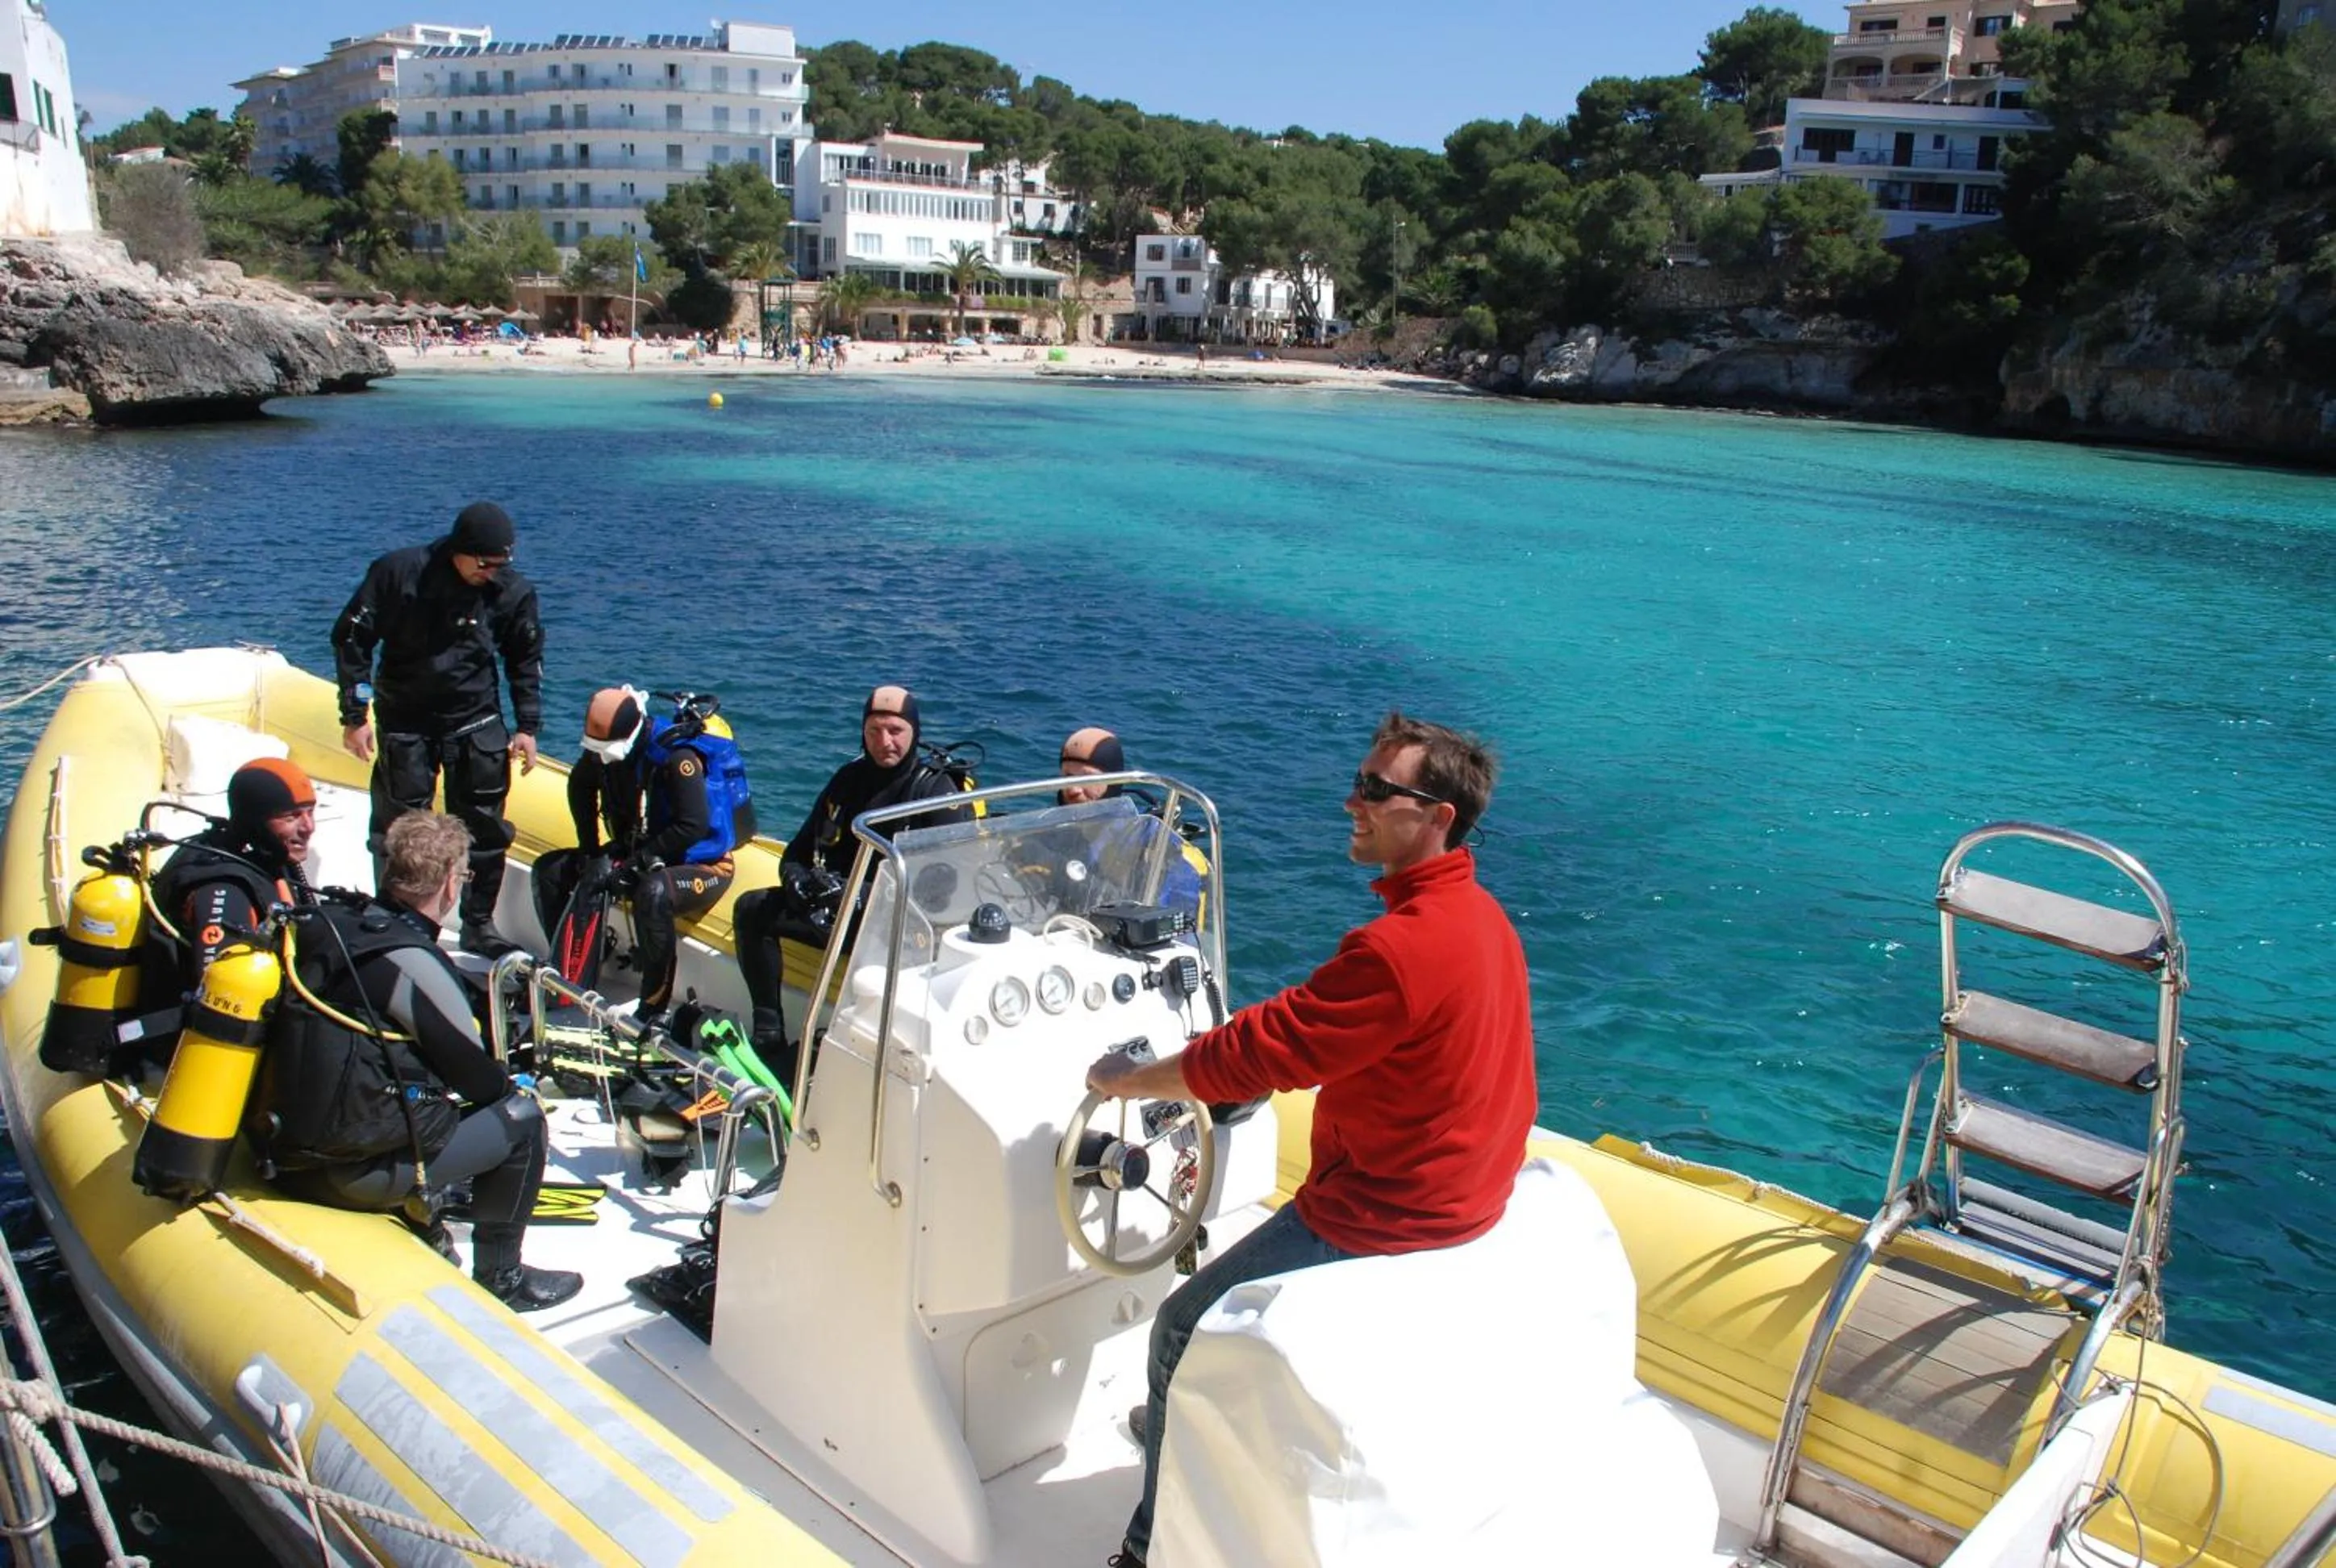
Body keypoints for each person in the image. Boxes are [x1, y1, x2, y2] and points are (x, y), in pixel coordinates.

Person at [1082, 712, 1537, 1568]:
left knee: (1179, 1325)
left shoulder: (1399, 947)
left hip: (1389, 1211)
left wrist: (1126, 1081)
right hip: (1466, 1197)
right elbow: (1311, 1025)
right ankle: (1183, 1418)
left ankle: (1147, 1549)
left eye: (1375, 790)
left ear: (1438, 815)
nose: (1350, 802)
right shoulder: (1476, 919)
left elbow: (1260, 1053)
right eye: (1359, 783)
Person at [248, 811, 582, 1313]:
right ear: (450, 883)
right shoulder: (411, 962)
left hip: (277, 1140)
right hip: (345, 1173)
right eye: (464, 876)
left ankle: (424, 1219)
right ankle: (502, 1278)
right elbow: (480, 1084)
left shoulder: (328, 920)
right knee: (522, 1117)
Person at [332, 501, 544, 959]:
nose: (490, 572)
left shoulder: (511, 592)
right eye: (483, 563)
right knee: (401, 827)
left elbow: (524, 660)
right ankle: (394, 916)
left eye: (500, 564)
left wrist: (528, 725)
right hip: (406, 718)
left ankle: (478, 924)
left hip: (477, 717)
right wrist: (354, 715)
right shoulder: (397, 573)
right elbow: (352, 640)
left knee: (485, 827)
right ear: (458, 550)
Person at [732, 686, 967, 1077]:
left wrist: (863, 899)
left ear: (914, 733)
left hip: (892, 932)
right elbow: (798, 851)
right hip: (835, 916)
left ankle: (837, 1055)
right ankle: (768, 1033)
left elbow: (942, 886)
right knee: (752, 909)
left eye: (895, 731)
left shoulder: (935, 792)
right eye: (874, 731)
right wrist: (798, 883)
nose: (884, 742)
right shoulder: (848, 779)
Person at [534, 687, 753, 1028]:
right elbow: (580, 785)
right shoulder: (603, 755)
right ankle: (571, 970)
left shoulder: (677, 758)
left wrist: (638, 864)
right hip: (638, 849)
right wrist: (590, 851)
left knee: (652, 894)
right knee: (550, 870)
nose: (602, 760)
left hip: (703, 864)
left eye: (607, 753)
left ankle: (654, 1008)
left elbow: (692, 826)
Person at [1054, 728, 1206, 920]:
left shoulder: (1153, 845)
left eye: (1087, 778)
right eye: (1068, 777)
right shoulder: (1055, 833)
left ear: (1113, 781)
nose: (1073, 789)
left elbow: (1177, 928)